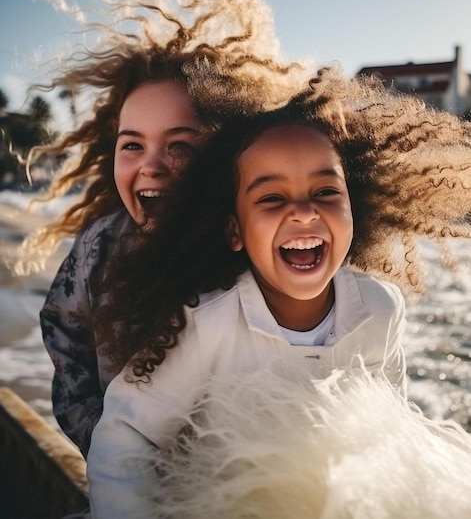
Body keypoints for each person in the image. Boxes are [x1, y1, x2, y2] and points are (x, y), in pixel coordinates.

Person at [86, 67, 471, 517]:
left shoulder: (380, 309)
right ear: (235, 229)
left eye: (326, 191)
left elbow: (388, 426)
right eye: (271, 198)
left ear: (355, 209)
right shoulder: (205, 324)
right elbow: (127, 434)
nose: (304, 212)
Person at [14, 0, 306, 458]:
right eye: (133, 145)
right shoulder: (102, 245)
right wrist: (100, 438)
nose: (151, 164)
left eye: (180, 146)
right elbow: (62, 328)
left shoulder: (256, 245)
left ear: (223, 154)